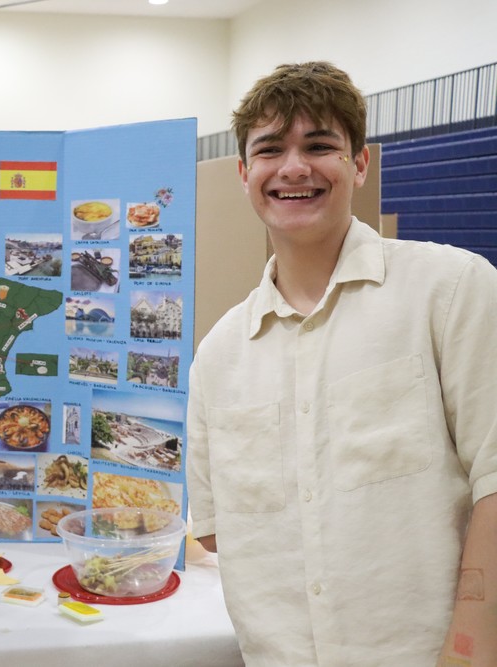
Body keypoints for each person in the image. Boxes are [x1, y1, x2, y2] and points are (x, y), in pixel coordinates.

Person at [187, 62, 497, 666]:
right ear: (245, 173)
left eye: (320, 145)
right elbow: (217, 530)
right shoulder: (221, 353)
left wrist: (469, 649)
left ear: (360, 164)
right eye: (270, 150)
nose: (294, 168)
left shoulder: (452, 290)